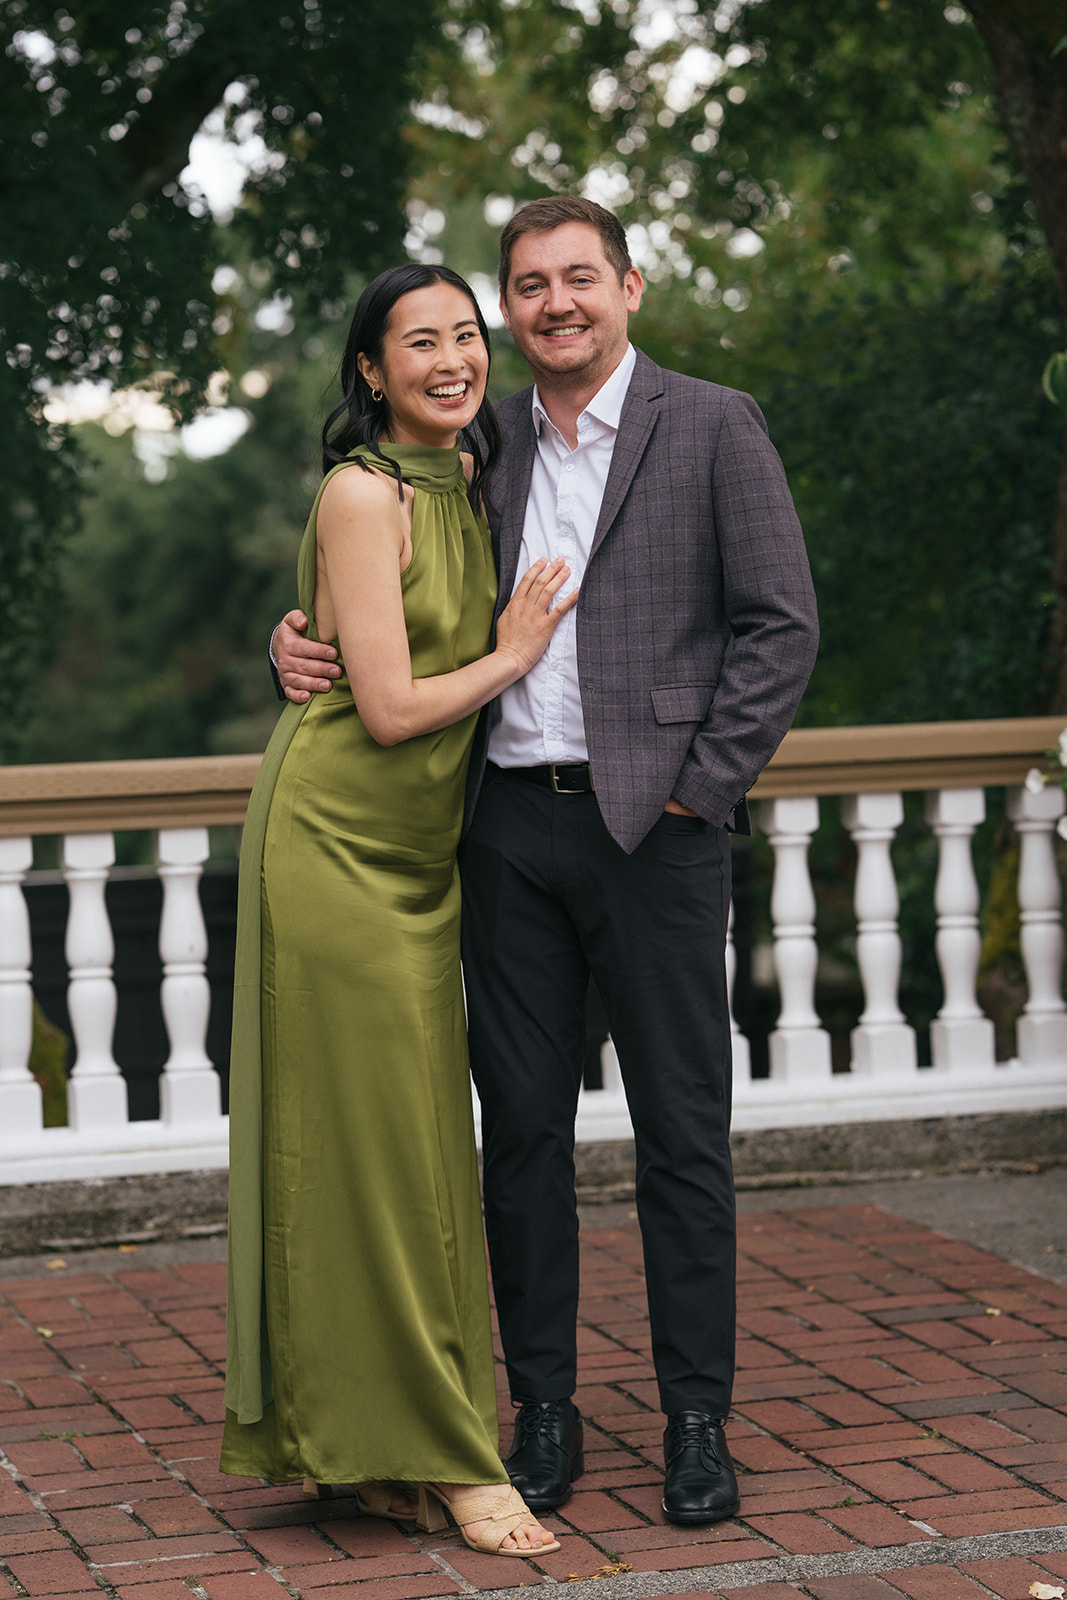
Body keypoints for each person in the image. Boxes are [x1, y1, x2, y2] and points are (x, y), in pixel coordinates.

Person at [272, 197, 819, 1527]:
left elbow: (779, 628)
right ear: (511, 309)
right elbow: (384, 588)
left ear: (630, 286)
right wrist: (293, 646)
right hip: (505, 831)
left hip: (658, 835)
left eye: (580, 278)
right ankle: (547, 1414)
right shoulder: (480, 442)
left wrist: (698, 792)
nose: (554, 303)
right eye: (530, 285)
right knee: (517, 1139)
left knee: (681, 1137)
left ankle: (697, 1424)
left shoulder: (712, 424)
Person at [222, 261, 579, 1561]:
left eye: (467, 336)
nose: (452, 357)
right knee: (372, 1161)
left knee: (413, 1155)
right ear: (370, 370)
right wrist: (512, 658)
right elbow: (382, 707)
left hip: (427, 861)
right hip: (335, 850)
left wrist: (294, 634)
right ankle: (450, 1456)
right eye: (418, 341)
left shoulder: (473, 479)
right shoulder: (366, 492)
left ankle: (369, 1455)